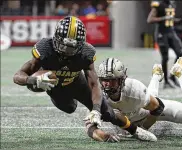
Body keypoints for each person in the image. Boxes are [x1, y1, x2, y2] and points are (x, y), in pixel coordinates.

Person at [13, 16, 157, 142]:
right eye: (64, 46)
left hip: (76, 82)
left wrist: (95, 109)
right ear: (56, 39)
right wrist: (33, 80)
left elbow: (94, 83)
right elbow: (18, 75)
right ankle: (46, 86)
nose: (67, 52)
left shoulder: (86, 53)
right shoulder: (45, 48)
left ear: (80, 45)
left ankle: (135, 130)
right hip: (53, 86)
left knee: (106, 111)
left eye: (72, 48)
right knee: (70, 108)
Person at [96, 57, 182, 136]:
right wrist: (103, 136)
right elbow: (90, 126)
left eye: (112, 80)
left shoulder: (134, 89)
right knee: (147, 98)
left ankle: (180, 72)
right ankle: (156, 75)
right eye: (104, 80)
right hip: (130, 116)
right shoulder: (96, 95)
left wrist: (142, 129)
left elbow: (158, 108)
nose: (108, 85)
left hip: (145, 113)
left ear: (122, 80)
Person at [147, 0, 182, 89]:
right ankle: (166, 82)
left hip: (171, 32)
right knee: (165, 57)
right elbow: (150, 19)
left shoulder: (172, 3)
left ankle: (172, 76)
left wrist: (181, 20)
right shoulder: (158, 5)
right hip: (161, 34)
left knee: (180, 54)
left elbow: (171, 20)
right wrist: (164, 18)